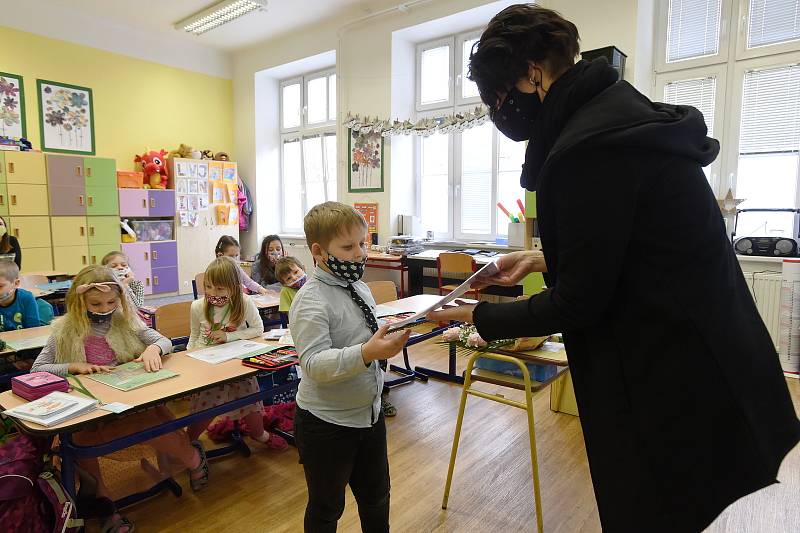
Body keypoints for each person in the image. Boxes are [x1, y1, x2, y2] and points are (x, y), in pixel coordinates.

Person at [427, 5, 800, 533]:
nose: (499, 111)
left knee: (656, 509)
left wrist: (476, 316)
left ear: (533, 71)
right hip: (714, 356)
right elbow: (634, 244)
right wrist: (541, 257)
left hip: (672, 376)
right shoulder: (618, 113)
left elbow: (580, 301)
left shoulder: (587, 148)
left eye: (499, 96)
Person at [30, 265, 208, 532]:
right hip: (91, 408)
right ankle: (106, 507)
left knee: (153, 427)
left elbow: (164, 341)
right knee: (80, 442)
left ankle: (193, 458)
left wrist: (153, 349)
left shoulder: (126, 319)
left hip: (131, 401)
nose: (104, 308)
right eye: (96, 303)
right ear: (80, 302)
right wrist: (72, 366)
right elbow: (37, 369)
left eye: (111, 302)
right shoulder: (64, 329)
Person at [290, 201, 410, 532]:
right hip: (326, 424)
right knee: (327, 508)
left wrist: (385, 341)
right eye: (348, 246)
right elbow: (313, 364)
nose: (359, 253)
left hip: (368, 414)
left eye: (363, 242)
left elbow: (363, 336)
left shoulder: (359, 286)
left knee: (377, 497)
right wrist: (367, 353)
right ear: (318, 251)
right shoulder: (311, 300)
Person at [186, 257, 288, 451]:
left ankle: (259, 434)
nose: (212, 293)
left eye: (219, 289)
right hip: (207, 366)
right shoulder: (198, 306)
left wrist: (228, 337)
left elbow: (258, 329)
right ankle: (187, 442)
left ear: (234, 287)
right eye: (208, 287)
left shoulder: (243, 301)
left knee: (250, 400)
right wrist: (190, 359)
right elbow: (193, 336)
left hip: (236, 362)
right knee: (205, 406)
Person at [0, 260, 40, 331]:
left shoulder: (26, 298)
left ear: (16, 283)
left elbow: (34, 330)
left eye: (0, 286)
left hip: (24, 340)